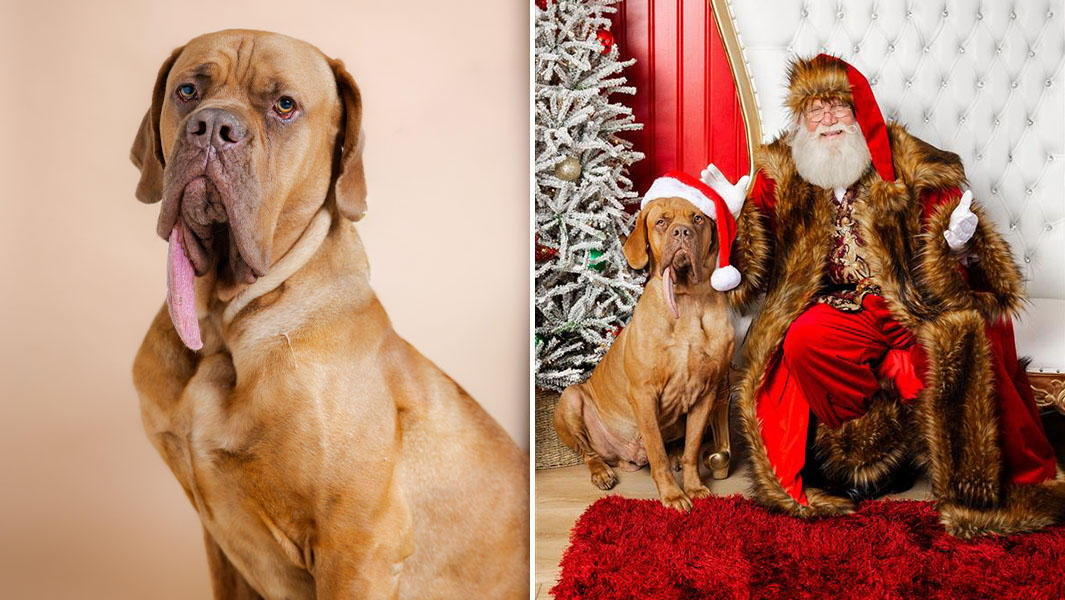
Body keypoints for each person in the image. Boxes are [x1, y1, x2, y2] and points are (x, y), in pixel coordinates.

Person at [704, 54, 1063, 538]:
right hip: (839, 304)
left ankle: (987, 484)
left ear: (859, 112)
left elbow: (951, 217)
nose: (828, 119)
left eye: (838, 107)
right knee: (804, 341)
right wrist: (734, 222)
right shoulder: (784, 172)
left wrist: (954, 245)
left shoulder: (904, 158)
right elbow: (752, 259)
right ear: (801, 121)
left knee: (965, 338)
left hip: (911, 297)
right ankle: (870, 453)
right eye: (815, 110)